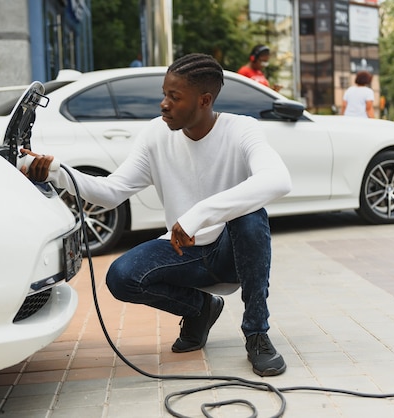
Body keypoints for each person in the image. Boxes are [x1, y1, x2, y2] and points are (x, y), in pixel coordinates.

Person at [22, 53, 292, 377]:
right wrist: (56, 172)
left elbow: (278, 179)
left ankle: (257, 334)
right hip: (183, 252)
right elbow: (111, 192)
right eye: (164, 94)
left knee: (251, 216)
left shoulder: (241, 130)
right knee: (121, 276)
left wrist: (199, 214)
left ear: (204, 100)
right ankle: (201, 310)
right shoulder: (155, 135)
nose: (164, 104)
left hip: (227, 253)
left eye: (174, 97)